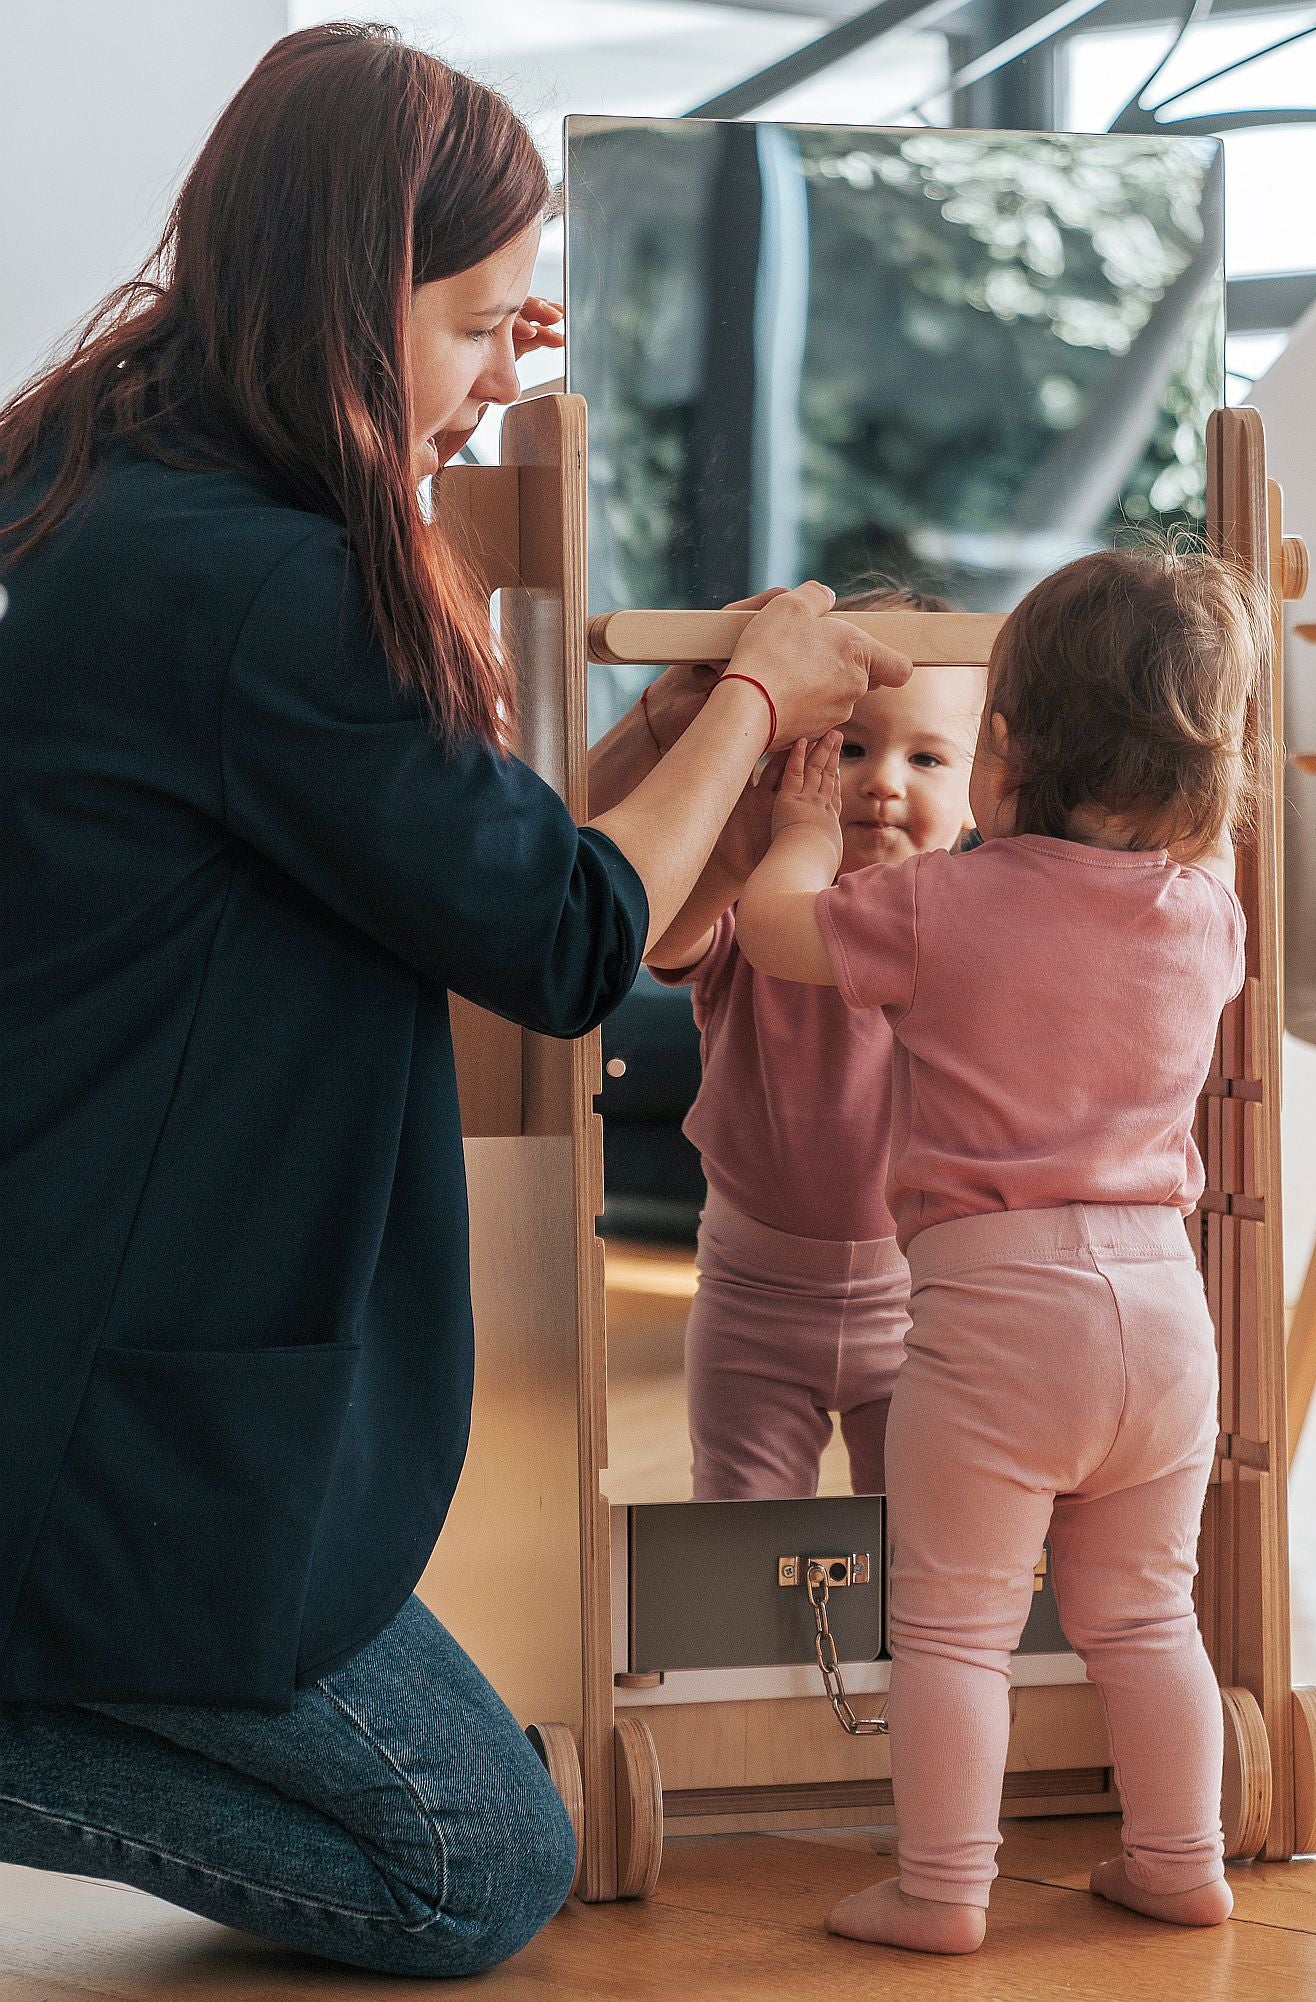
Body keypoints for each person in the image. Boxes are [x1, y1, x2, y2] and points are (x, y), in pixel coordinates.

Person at [0, 23, 907, 1978]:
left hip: (88, 1332)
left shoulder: (110, 483)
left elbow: (456, 873)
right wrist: (754, 698)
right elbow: (570, 941)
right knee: (475, 1861)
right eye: (486, 324)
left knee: (486, 1794)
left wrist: (670, 756)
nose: (514, 374)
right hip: (98, 1404)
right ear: (352, 298)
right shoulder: (271, 588)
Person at [732, 544, 1260, 1953]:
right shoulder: (1211, 918)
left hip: (998, 1306)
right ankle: (1180, 1856)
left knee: (956, 1628)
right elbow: (1167, 871)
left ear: (1002, 753)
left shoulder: (941, 907)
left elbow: (776, 936)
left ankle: (941, 1891)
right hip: (1162, 1304)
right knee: (1146, 1611)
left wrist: (796, 831)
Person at [646, 590, 985, 1502]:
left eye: (927, 757)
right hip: (750, 1295)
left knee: (914, 1531)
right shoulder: (760, 906)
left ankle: (904, 1653)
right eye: (852, 749)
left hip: (921, 1301)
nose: (883, 782)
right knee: (741, 1527)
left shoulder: (977, 926)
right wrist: (735, 856)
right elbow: (666, 942)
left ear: (977, 792)